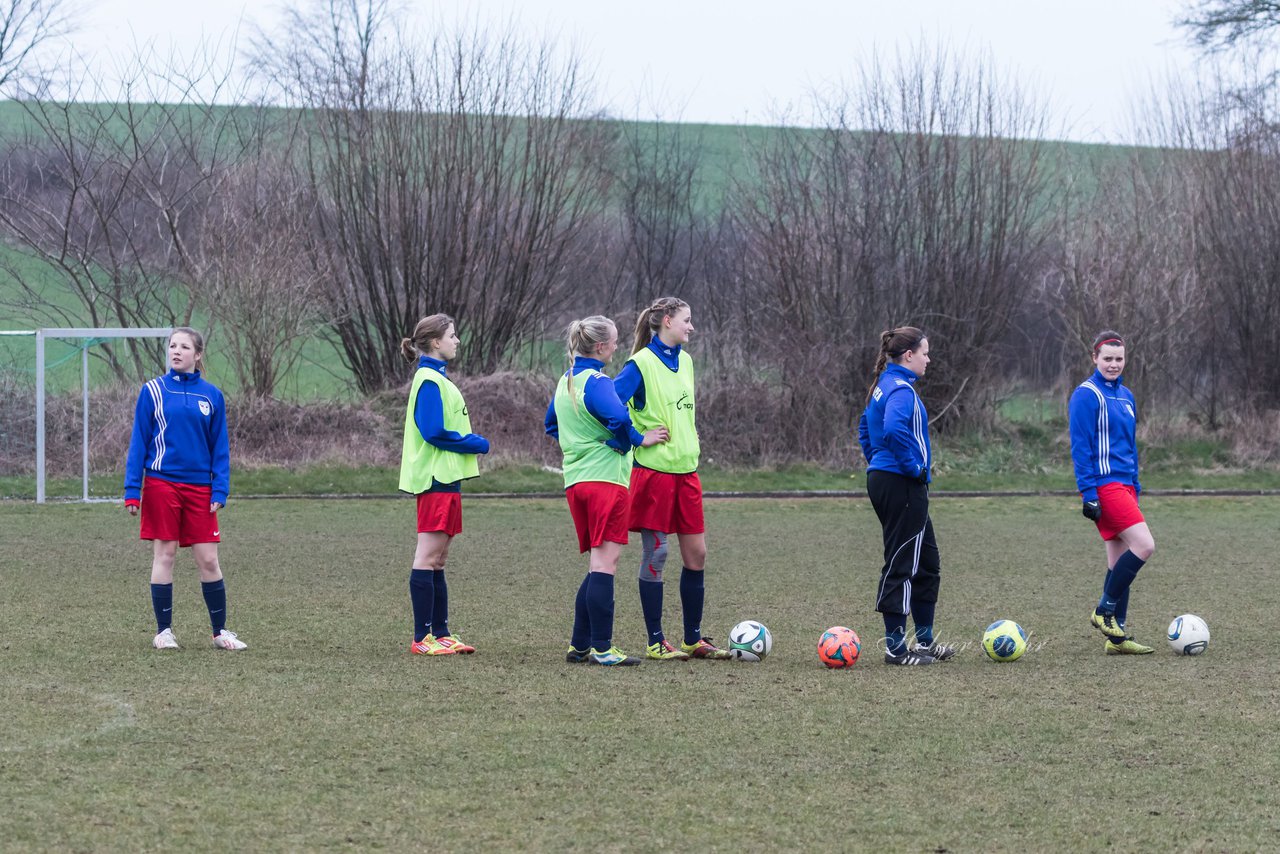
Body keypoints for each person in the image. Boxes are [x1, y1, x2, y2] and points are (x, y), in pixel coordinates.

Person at [546, 316, 668, 666]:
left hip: (576, 481)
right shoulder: (598, 381)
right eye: (614, 341)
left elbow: (551, 423)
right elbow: (618, 416)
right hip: (606, 481)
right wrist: (637, 440)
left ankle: (580, 644)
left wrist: (580, 443)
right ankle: (603, 648)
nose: (617, 346)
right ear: (600, 347)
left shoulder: (565, 381)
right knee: (605, 564)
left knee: (596, 563)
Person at [613, 297, 729, 661]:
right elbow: (609, 405)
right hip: (654, 476)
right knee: (657, 554)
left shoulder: (687, 361)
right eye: (687, 320)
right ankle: (656, 641)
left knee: (697, 554)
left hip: (686, 474)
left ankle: (693, 639)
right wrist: (637, 437)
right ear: (666, 321)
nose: (691, 327)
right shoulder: (640, 364)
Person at [124, 327, 246, 651]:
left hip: (200, 490)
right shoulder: (152, 391)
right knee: (164, 555)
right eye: (172, 346)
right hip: (162, 484)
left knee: (208, 560)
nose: (176, 351)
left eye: (183, 347)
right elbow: (138, 443)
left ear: (198, 354)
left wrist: (220, 489)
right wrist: (132, 490)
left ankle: (219, 632)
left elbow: (220, 448)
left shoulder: (212, 396)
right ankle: (164, 632)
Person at [857, 326, 957, 666]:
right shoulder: (900, 389)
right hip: (902, 483)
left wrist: (876, 462)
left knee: (927, 564)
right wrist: (912, 467)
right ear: (909, 355)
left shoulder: (884, 386)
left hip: (889, 479)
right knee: (902, 562)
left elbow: (863, 427)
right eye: (925, 353)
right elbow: (894, 429)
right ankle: (896, 649)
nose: (929, 359)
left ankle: (925, 643)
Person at [399, 314, 490, 656]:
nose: (457, 341)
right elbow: (433, 431)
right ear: (435, 342)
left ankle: (441, 633)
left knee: (438, 559)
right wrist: (474, 443)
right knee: (427, 555)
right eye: (453, 335)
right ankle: (422, 639)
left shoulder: (437, 378)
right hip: (435, 479)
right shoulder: (428, 381)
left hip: (447, 479)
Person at [1069, 330, 1155, 655]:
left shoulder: (1127, 396)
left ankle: (1116, 638)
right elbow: (1081, 447)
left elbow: (1130, 445)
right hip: (1104, 486)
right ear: (1094, 358)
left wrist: (1135, 482)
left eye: (1119, 359)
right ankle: (1104, 611)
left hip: (1125, 486)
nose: (1114, 364)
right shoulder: (1086, 395)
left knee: (1118, 560)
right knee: (1145, 545)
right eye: (1107, 358)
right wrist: (1087, 492)